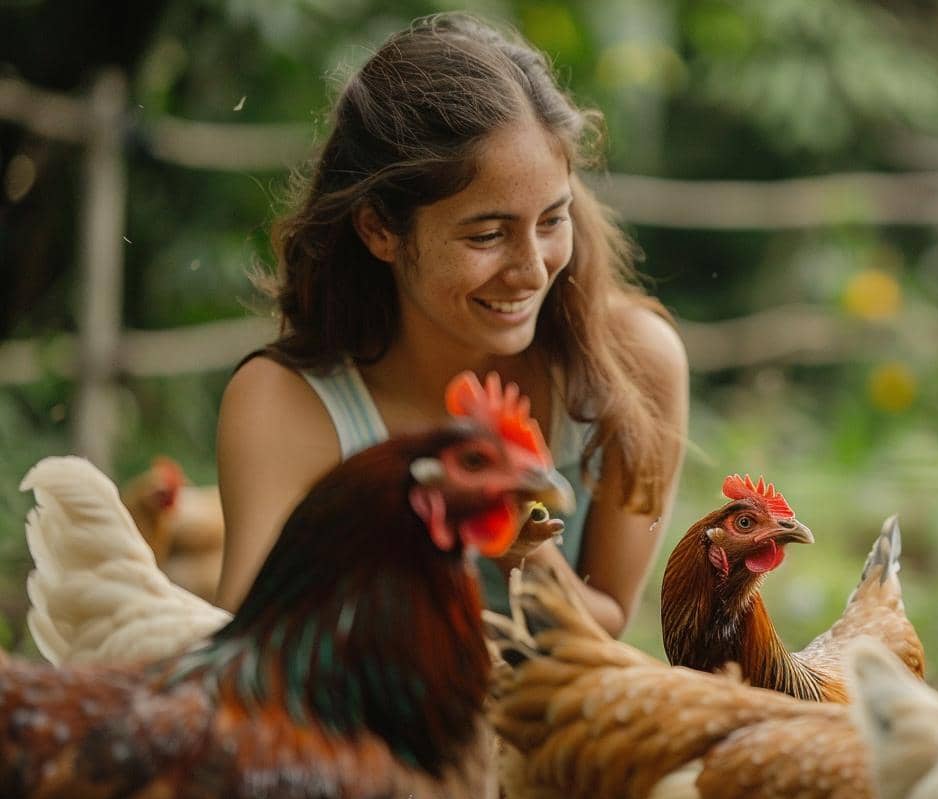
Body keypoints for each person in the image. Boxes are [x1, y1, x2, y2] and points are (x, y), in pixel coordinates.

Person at [215, 12, 688, 635]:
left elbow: (610, 620)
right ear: (379, 229)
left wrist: (525, 550)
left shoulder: (631, 364)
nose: (530, 270)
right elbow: (247, 647)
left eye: (552, 220)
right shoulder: (290, 404)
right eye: (488, 234)